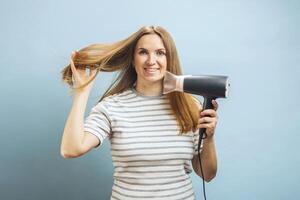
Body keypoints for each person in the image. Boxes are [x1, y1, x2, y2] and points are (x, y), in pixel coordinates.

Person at [60, 25, 219, 200]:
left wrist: (209, 137)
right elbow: (71, 149)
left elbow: (208, 175)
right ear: (133, 59)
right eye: (143, 52)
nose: (151, 60)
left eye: (160, 53)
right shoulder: (112, 106)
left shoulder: (189, 106)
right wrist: (81, 92)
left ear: (169, 59)